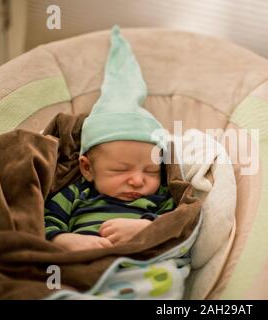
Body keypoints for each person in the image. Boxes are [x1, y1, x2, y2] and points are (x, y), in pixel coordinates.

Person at [44, 25, 172, 252]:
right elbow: (43, 222)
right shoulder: (76, 194)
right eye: (120, 170)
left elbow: (178, 224)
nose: (137, 180)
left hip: (142, 268)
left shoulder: (160, 197)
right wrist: (65, 239)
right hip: (81, 265)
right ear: (87, 168)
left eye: (151, 171)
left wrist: (144, 227)